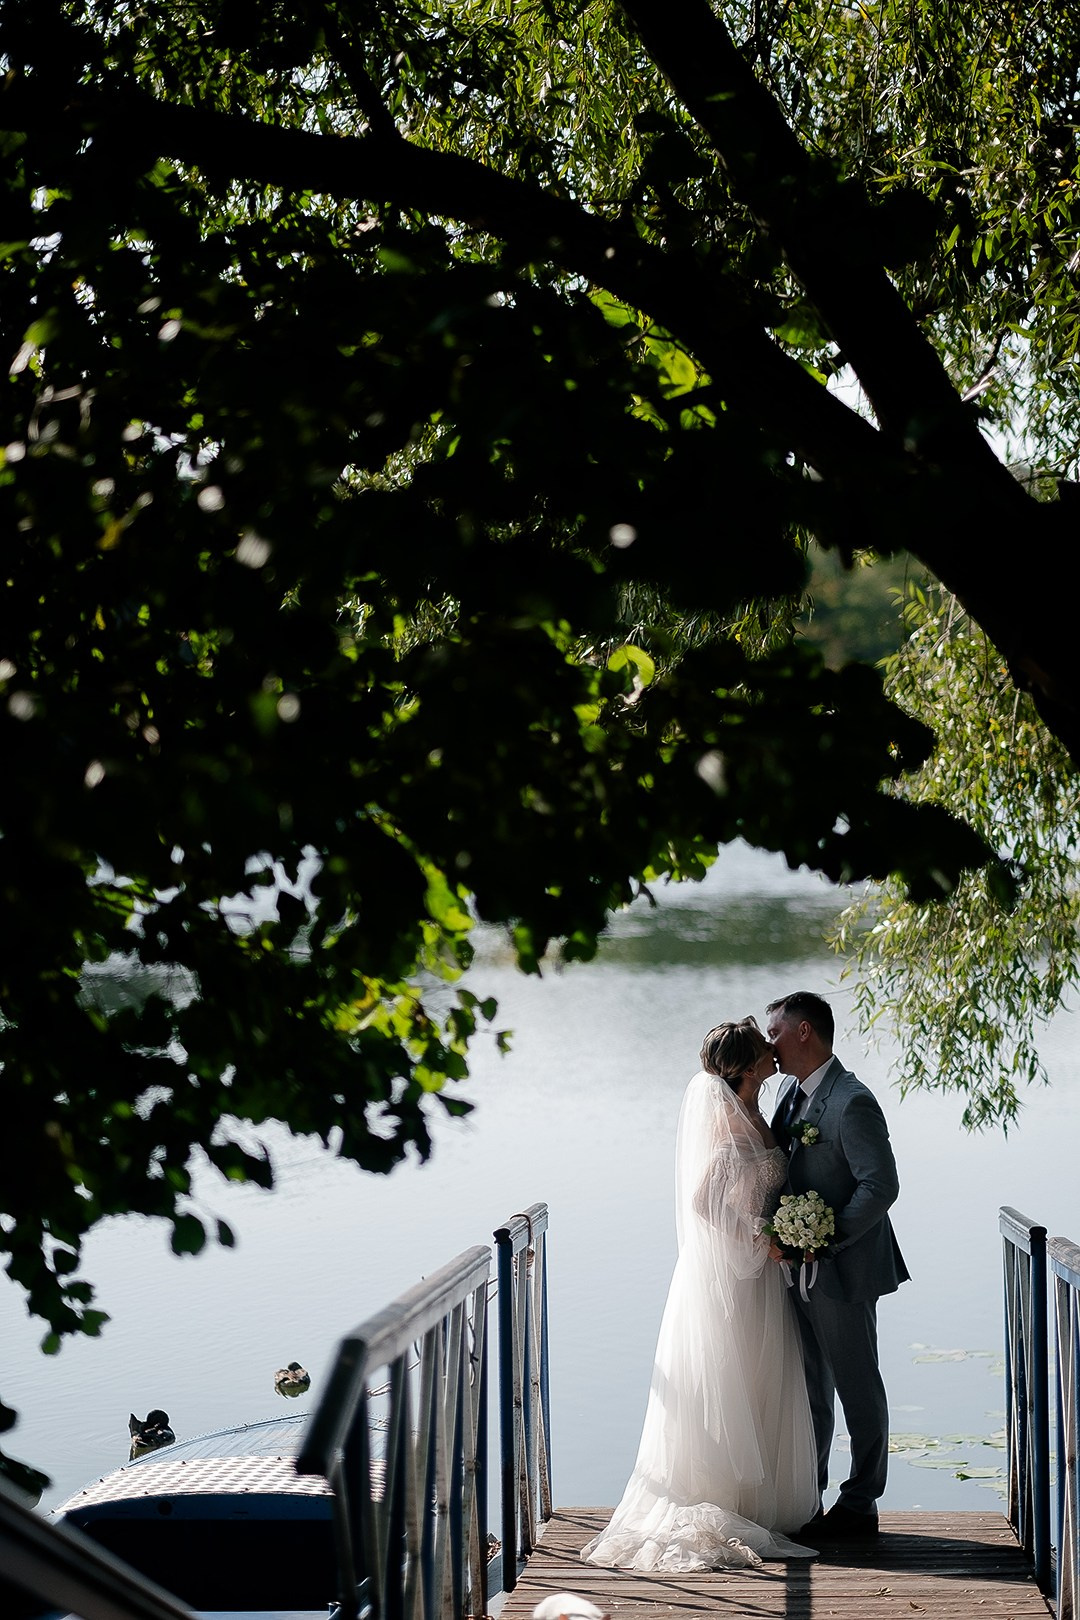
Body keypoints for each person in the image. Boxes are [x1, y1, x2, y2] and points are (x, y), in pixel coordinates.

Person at [580, 1019, 818, 1573]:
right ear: (747, 1064)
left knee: (759, 1377)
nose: (770, 1051)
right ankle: (723, 1496)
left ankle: (758, 1501)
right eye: (763, 1047)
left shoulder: (757, 1111)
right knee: (729, 1379)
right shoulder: (727, 1126)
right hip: (732, 1275)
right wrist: (766, 1241)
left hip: (757, 1274)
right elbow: (705, 1202)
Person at [765, 991, 910, 1544]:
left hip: (842, 1269)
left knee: (857, 1385)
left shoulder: (852, 1101)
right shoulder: (788, 1095)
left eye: (776, 1032)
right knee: (810, 1390)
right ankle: (812, 1498)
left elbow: (881, 1185)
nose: (770, 1044)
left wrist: (826, 1238)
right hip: (797, 1269)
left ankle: (861, 1504)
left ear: (804, 1032)